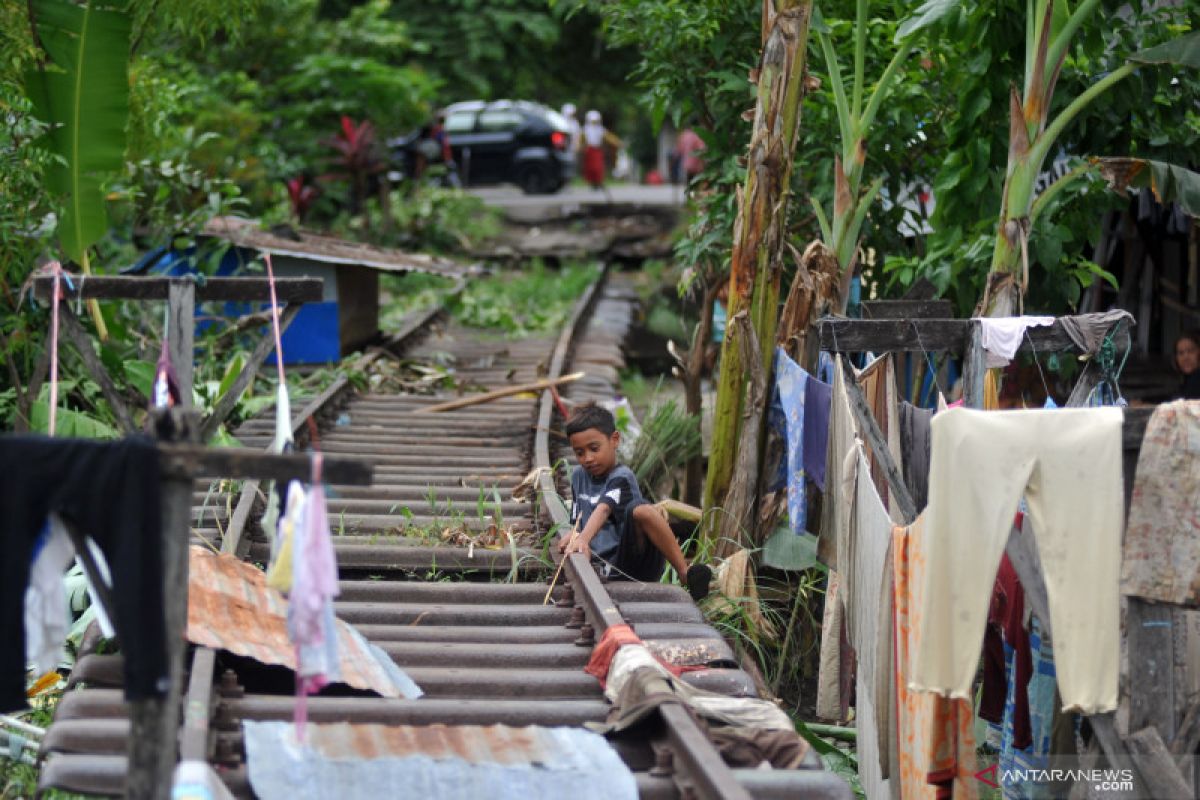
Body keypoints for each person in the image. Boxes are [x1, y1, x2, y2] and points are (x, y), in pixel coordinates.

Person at [559, 403, 712, 601]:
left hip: (632, 563)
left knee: (641, 510)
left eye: (594, 449)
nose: (588, 458)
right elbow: (578, 519)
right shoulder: (579, 476)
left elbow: (604, 509)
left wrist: (583, 539)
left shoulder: (622, 476)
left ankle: (685, 573)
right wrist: (573, 536)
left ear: (614, 440)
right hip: (600, 565)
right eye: (579, 453)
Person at [580, 110, 623, 191]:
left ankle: (598, 182)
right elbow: (581, 140)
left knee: (598, 167)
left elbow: (609, 137)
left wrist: (618, 142)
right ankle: (592, 184)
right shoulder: (585, 130)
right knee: (590, 168)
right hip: (589, 151)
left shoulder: (600, 129)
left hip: (597, 150)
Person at [1173, 330, 1200, 399]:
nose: (1185, 357)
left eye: (1190, 351)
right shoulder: (1186, 380)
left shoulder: (1196, 379)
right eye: (1181, 353)